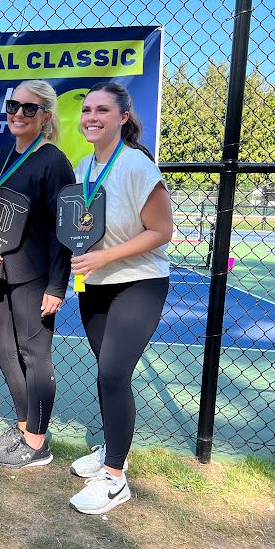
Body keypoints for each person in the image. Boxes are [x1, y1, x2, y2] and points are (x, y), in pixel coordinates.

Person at [67, 82, 172, 514]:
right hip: (95, 284)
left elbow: (162, 231)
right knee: (106, 374)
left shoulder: (137, 166)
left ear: (123, 117)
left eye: (102, 110)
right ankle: (115, 449)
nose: (91, 116)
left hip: (139, 282)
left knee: (112, 374)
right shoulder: (83, 166)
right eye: (87, 109)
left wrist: (105, 255)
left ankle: (115, 479)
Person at [0, 81, 75, 468]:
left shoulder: (54, 161)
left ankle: (38, 445)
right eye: (13, 105)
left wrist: (57, 285)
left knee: (33, 353)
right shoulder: (0, 156)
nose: (18, 113)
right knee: (2, 346)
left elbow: (66, 230)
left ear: (46, 117)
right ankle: (26, 426)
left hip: (35, 276)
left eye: (29, 109)